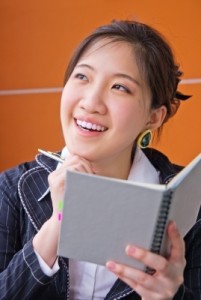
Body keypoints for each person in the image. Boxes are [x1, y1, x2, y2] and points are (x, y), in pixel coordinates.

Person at [0, 19, 200, 300]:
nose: (90, 102)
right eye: (82, 77)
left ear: (154, 117)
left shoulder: (191, 202)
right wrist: (58, 223)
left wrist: (171, 296)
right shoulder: (12, 188)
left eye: (120, 87)